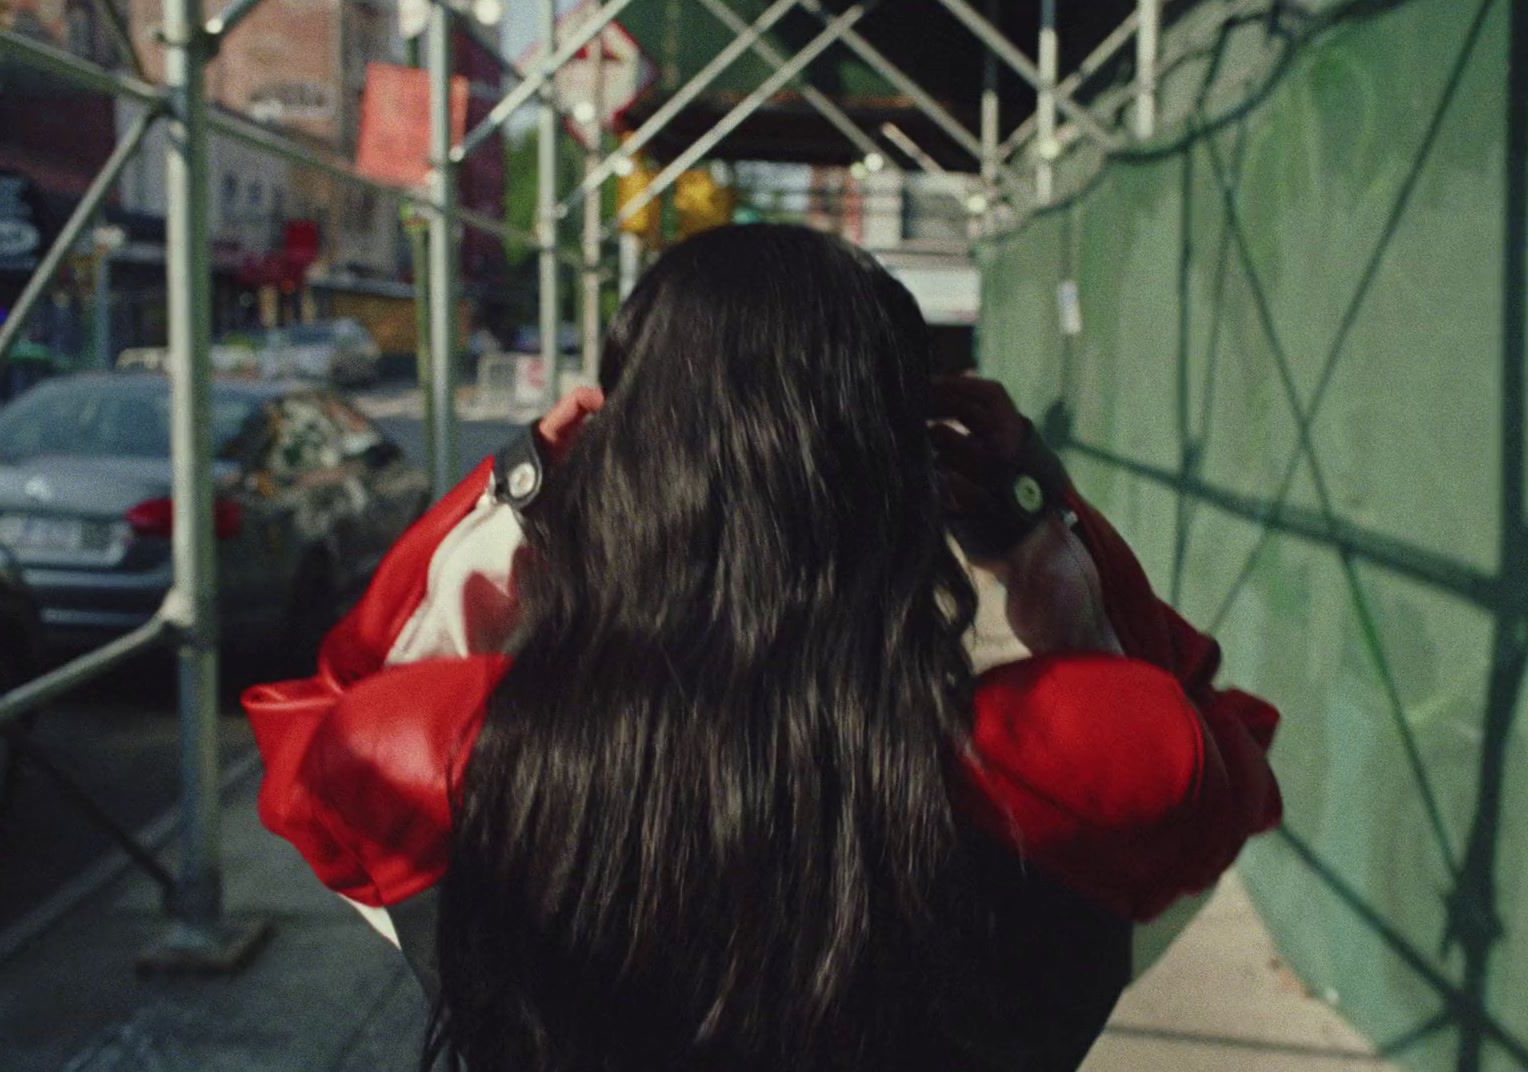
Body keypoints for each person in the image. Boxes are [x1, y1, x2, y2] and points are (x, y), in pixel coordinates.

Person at [244, 224, 1281, 1072]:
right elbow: (1213, 742)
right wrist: (1038, 518)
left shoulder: (458, 762)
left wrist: (511, 493)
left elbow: (317, 714)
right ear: (909, 474)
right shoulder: (1067, 768)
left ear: (623, 467)